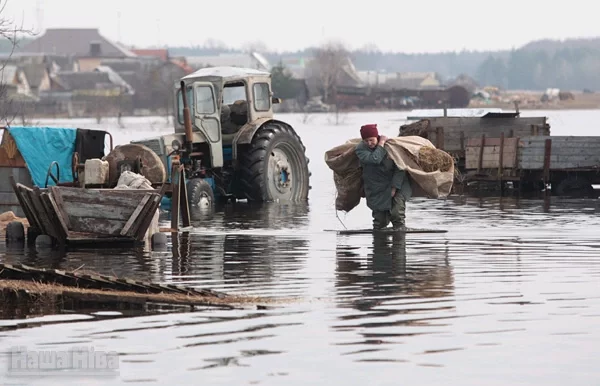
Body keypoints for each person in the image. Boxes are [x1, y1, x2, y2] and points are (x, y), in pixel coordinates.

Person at [355, 123, 412, 230]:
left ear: (376, 136)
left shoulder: (391, 147)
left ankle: (399, 236)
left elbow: (400, 167)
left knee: (397, 214)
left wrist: (394, 187)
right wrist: (381, 143)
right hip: (376, 188)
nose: (369, 143)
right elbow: (374, 159)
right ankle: (379, 241)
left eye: (371, 140)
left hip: (397, 184)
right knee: (380, 221)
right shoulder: (361, 149)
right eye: (366, 140)